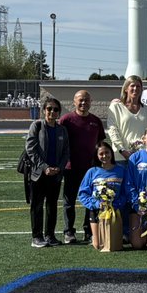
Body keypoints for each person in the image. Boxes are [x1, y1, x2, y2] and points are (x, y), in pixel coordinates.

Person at [59, 89, 106, 244]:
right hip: (70, 167)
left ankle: (89, 231)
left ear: (90, 102)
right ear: (74, 101)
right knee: (69, 201)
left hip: (90, 169)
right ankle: (69, 232)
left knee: (91, 201)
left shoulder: (96, 121)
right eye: (81, 100)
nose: (84, 103)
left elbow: (100, 144)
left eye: (86, 100)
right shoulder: (66, 120)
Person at [24, 97, 70, 248]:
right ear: (44, 110)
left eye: (55, 109)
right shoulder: (36, 126)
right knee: (37, 206)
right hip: (39, 174)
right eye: (49, 109)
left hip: (55, 175)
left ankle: (49, 235)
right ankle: (36, 237)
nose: (52, 111)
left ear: (59, 112)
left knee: (52, 205)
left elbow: (66, 152)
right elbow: (31, 149)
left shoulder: (62, 129)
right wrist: (44, 167)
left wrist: (59, 168)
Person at [77, 140, 130, 250]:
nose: (104, 156)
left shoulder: (121, 170)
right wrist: (96, 203)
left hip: (116, 210)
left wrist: (116, 204)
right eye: (101, 154)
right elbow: (83, 194)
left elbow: (127, 192)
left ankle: (122, 233)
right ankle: (95, 237)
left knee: (115, 244)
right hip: (97, 211)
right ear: (96, 156)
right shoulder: (92, 171)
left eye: (107, 152)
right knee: (98, 246)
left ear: (111, 153)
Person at [106, 75, 147, 163]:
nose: (135, 88)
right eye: (132, 86)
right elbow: (112, 130)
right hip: (120, 158)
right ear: (126, 89)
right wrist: (122, 150)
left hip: (141, 158)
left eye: (138, 86)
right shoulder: (116, 107)